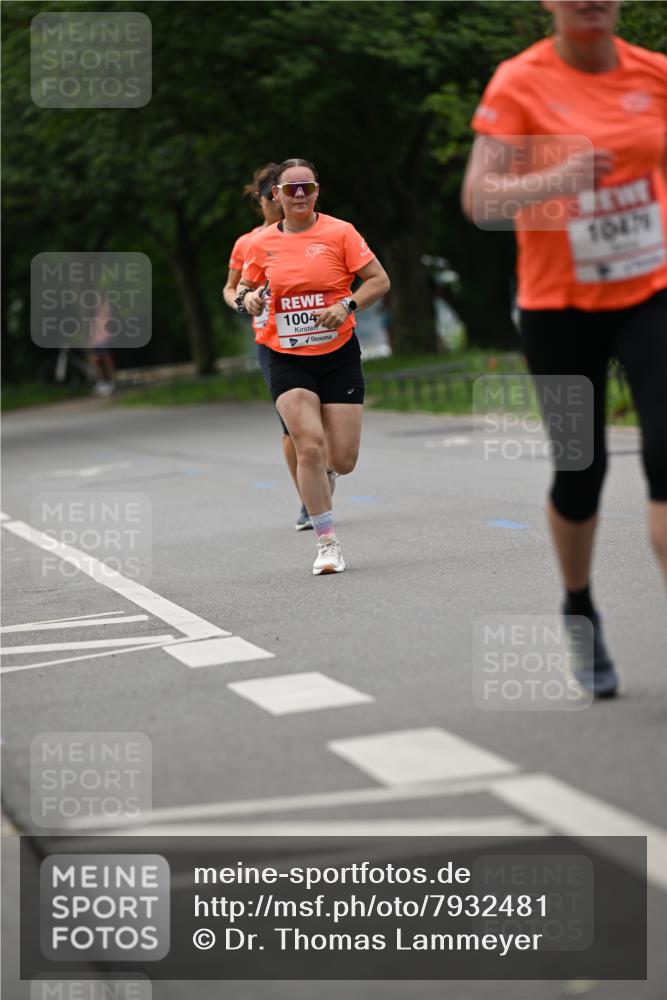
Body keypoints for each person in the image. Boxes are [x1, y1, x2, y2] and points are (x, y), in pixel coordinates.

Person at [462, 0, 667, 696]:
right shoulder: (517, 82)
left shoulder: (654, 74)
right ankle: (578, 606)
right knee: (580, 471)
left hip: (652, 291)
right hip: (557, 307)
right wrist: (553, 182)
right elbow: (479, 199)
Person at [235, 157, 391, 575]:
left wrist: (347, 304)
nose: (299, 195)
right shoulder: (260, 243)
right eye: (291, 189)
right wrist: (247, 300)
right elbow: (245, 289)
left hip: (338, 354)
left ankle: (325, 474)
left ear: (317, 191)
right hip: (284, 355)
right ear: (277, 196)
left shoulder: (341, 232)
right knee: (307, 442)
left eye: (307, 187)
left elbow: (378, 280)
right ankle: (327, 543)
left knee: (341, 459)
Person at [223, 164, 317, 528]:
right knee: (292, 425)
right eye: (272, 197)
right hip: (273, 341)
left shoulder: (315, 230)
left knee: (327, 420)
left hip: (321, 335)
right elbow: (231, 288)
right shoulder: (249, 243)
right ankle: (308, 501)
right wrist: (243, 302)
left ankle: (325, 461)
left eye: (292, 192)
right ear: (263, 199)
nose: (281, 203)